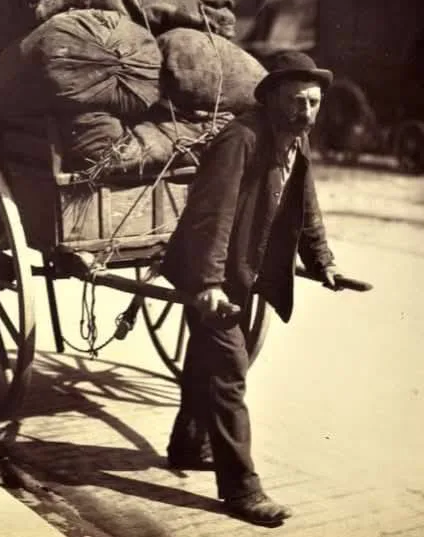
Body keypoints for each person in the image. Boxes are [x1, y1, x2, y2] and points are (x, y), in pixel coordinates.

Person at [161, 50, 339, 527]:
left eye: (314, 103)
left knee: (209, 357)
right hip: (213, 273)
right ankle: (241, 488)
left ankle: (187, 445)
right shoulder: (241, 140)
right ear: (273, 98)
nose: (306, 114)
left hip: (239, 272)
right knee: (229, 368)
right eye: (297, 102)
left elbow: (305, 204)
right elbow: (209, 216)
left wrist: (322, 261)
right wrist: (208, 283)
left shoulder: (293, 142)